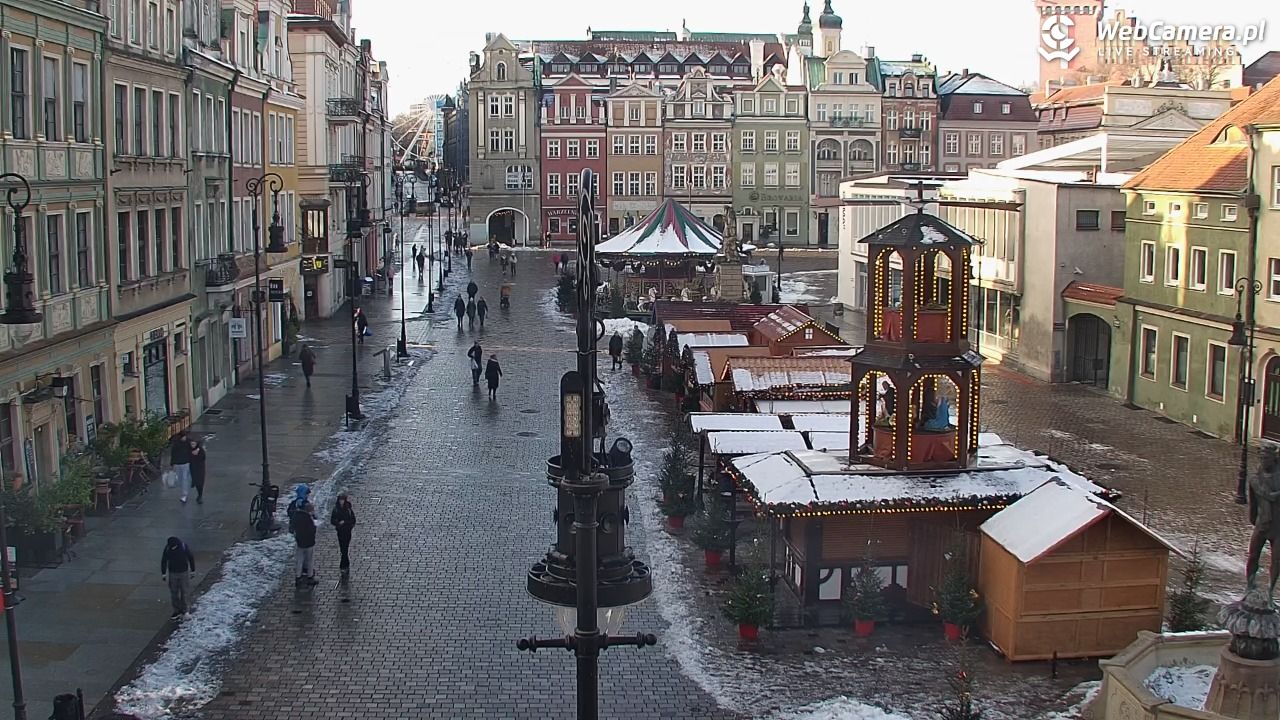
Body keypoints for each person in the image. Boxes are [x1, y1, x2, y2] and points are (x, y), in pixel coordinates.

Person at [161, 536, 195, 618]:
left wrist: (193, 570)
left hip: (183, 572)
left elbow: (191, 558)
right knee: (174, 592)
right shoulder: (168, 548)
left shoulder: (183, 547)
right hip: (172, 573)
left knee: (185, 592)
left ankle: (186, 610)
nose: (172, 548)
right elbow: (164, 560)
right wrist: (164, 573)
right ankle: (177, 610)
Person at [293, 502, 319, 586]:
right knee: (310, 560)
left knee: (299, 560)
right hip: (309, 542)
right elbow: (312, 530)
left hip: (300, 542)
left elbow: (292, 527)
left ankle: (298, 577)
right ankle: (310, 576)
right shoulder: (308, 519)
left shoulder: (297, 516)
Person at [330, 493, 356, 571]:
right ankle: (345, 564)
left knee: (345, 548)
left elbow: (353, 520)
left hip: (347, 531)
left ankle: (344, 564)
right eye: (340, 500)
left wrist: (346, 523)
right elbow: (332, 520)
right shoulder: (336, 509)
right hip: (340, 531)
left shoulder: (348, 509)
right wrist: (338, 523)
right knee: (343, 548)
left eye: (343, 500)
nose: (341, 501)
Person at [170, 430, 192, 504]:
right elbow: (173, 454)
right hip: (179, 463)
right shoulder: (177, 444)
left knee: (184, 479)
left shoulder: (188, 442)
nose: (184, 438)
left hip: (185, 463)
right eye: (183, 437)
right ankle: (184, 492)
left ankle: (184, 494)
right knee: (181, 479)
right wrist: (172, 464)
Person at [189, 438, 207, 504]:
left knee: (200, 483)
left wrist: (197, 453)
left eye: (193, 444)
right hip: (193, 468)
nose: (192, 445)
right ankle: (198, 493)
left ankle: (200, 495)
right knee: (196, 482)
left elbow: (203, 458)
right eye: (191, 444)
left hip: (200, 469)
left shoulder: (200, 450)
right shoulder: (189, 450)